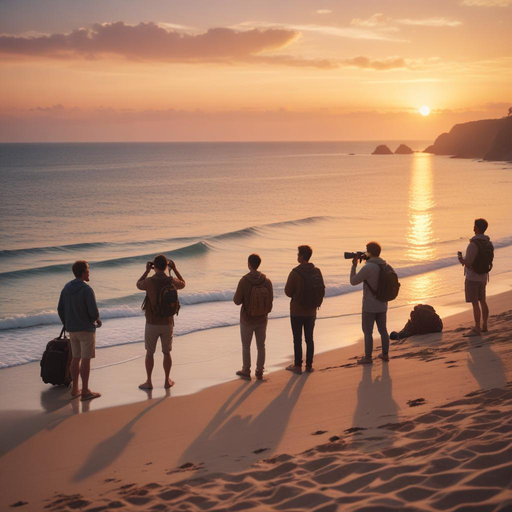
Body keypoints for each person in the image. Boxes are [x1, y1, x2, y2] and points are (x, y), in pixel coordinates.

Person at [136, 254, 186, 389]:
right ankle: (166, 381)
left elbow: (138, 284)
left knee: (150, 353)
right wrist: (174, 269)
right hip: (167, 323)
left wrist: (146, 270)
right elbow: (183, 284)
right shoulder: (171, 281)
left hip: (152, 323)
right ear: (166, 266)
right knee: (166, 352)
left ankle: (149, 381)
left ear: (154, 266)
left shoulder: (149, 281)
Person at [57, 260, 102, 401]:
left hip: (72, 329)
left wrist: (67, 322)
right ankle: (85, 391)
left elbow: (60, 309)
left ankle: (75, 389)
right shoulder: (87, 289)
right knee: (86, 360)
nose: (89, 273)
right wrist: (97, 319)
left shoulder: (66, 287)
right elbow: (93, 313)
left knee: (75, 359)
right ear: (83, 273)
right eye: (88, 270)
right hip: (86, 330)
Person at [284, 245, 325, 374]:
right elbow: (321, 288)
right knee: (309, 338)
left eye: (298, 254)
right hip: (311, 310)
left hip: (297, 311)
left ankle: (297, 366)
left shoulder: (295, 273)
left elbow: (288, 292)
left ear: (302, 256)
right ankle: (308, 365)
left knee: (297, 338)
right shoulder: (316, 271)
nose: (297, 256)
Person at [233, 253, 273, 380]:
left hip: (247, 319)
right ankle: (259, 370)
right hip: (262, 318)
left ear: (249, 264)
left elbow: (237, 301)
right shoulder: (267, 281)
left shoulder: (244, 281)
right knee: (261, 346)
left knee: (246, 346)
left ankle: (246, 369)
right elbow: (270, 299)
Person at [349, 242, 390, 364]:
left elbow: (353, 281)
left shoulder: (368, 267)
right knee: (383, 330)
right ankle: (385, 354)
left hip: (369, 306)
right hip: (382, 304)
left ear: (370, 252)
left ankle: (368, 357)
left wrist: (354, 266)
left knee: (368, 332)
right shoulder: (385, 265)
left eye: (366, 251)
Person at [458, 218, 493, 337]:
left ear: (477, 228)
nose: (473, 228)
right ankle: (485, 325)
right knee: (482, 300)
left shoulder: (473, 245)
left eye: (474, 226)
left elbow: (468, 262)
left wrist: (461, 260)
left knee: (475, 303)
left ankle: (477, 328)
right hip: (483, 276)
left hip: (473, 277)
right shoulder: (489, 243)